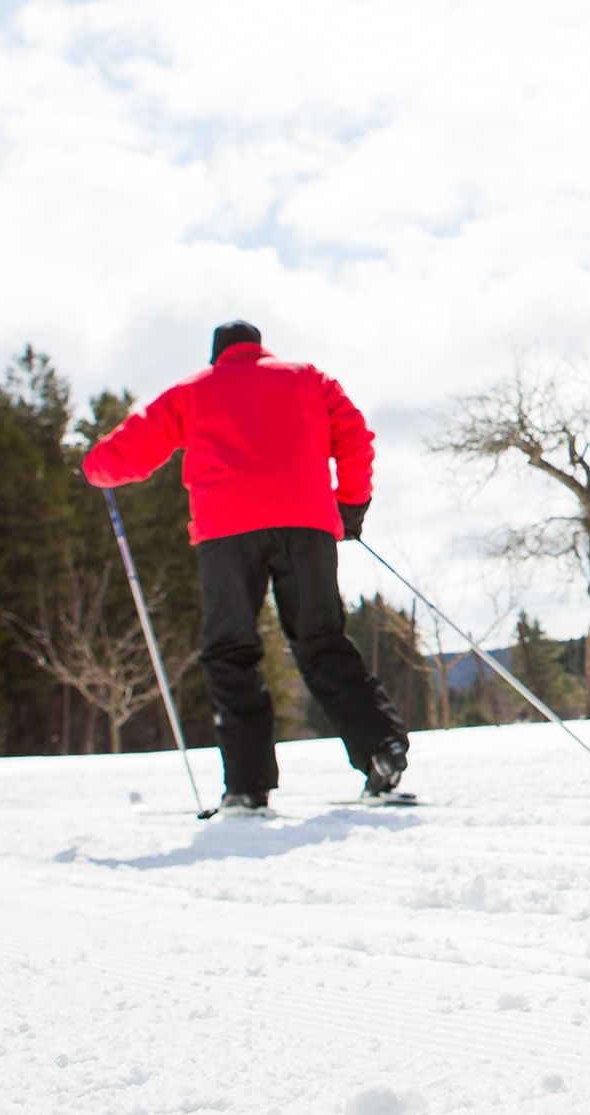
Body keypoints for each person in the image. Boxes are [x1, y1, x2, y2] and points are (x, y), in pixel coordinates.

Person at [84, 321, 408, 812]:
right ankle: (380, 752)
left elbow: (133, 448)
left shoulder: (195, 389)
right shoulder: (308, 377)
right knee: (321, 640)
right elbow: (355, 437)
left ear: (219, 354)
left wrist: (96, 468)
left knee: (230, 651)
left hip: (227, 532)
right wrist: (351, 504)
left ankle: (247, 785)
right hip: (307, 525)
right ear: (259, 347)